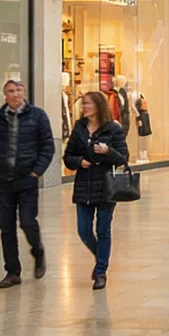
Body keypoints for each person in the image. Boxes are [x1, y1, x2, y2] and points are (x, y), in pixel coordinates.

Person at [0, 77, 56, 289]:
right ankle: (12, 271)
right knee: (6, 227)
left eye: (19, 90)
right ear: (5, 95)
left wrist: (36, 172)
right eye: (11, 91)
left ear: (24, 93)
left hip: (27, 180)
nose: (15, 94)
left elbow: (48, 147)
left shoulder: (38, 116)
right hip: (3, 181)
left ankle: (37, 251)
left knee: (28, 222)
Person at [62, 91, 127, 291]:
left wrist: (108, 151)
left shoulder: (113, 129)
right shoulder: (79, 128)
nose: (84, 108)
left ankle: (100, 271)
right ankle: (101, 258)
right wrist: (79, 161)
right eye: (83, 104)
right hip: (84, 185)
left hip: (106, 186)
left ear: (98, 106)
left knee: (103, 230)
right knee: (83, 230)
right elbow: (68, 156)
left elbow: (123, 158)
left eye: (87, 104)